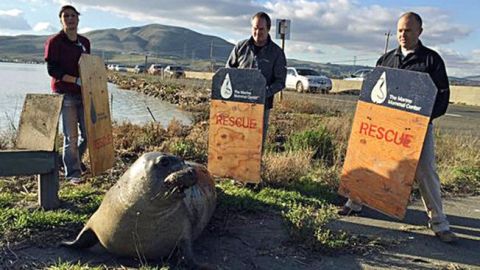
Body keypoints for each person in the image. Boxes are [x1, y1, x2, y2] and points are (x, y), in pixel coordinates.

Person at [339, 12, 456, 243]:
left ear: (419, 32)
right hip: (384, 128)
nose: (403, 35)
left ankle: (439, 222)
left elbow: (443, 98)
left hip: (418, 130)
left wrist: (422, 121)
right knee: (370, 161)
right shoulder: (386, 60)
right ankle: (355, 202)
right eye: (400, 30)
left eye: (408, 30)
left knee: (425, 171)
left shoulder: (431, 61)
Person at [226, 11, 287, 147]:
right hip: (238, 106)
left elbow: (280, 82)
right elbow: (228, 72)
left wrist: (263, 92)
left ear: (268, 29)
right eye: (255, 28)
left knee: (255, 145)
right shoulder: (240, 47)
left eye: (261, 29)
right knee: (235, 141)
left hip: (261, 107)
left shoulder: (277, 53)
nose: (257, 32)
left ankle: (255, 168)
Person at [44, 5, 90, 185]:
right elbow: (52, 70)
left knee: (88, 134)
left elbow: (88, 66)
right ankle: (73, 173)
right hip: (65, 94)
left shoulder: (85, 42)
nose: (70, 18)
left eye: (73, 15)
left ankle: (73, 161)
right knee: (71, 136)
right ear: (61, 19)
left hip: (84, 94)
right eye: (66, 16)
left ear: (78, 19)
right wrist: (74, 80)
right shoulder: (55, 42)